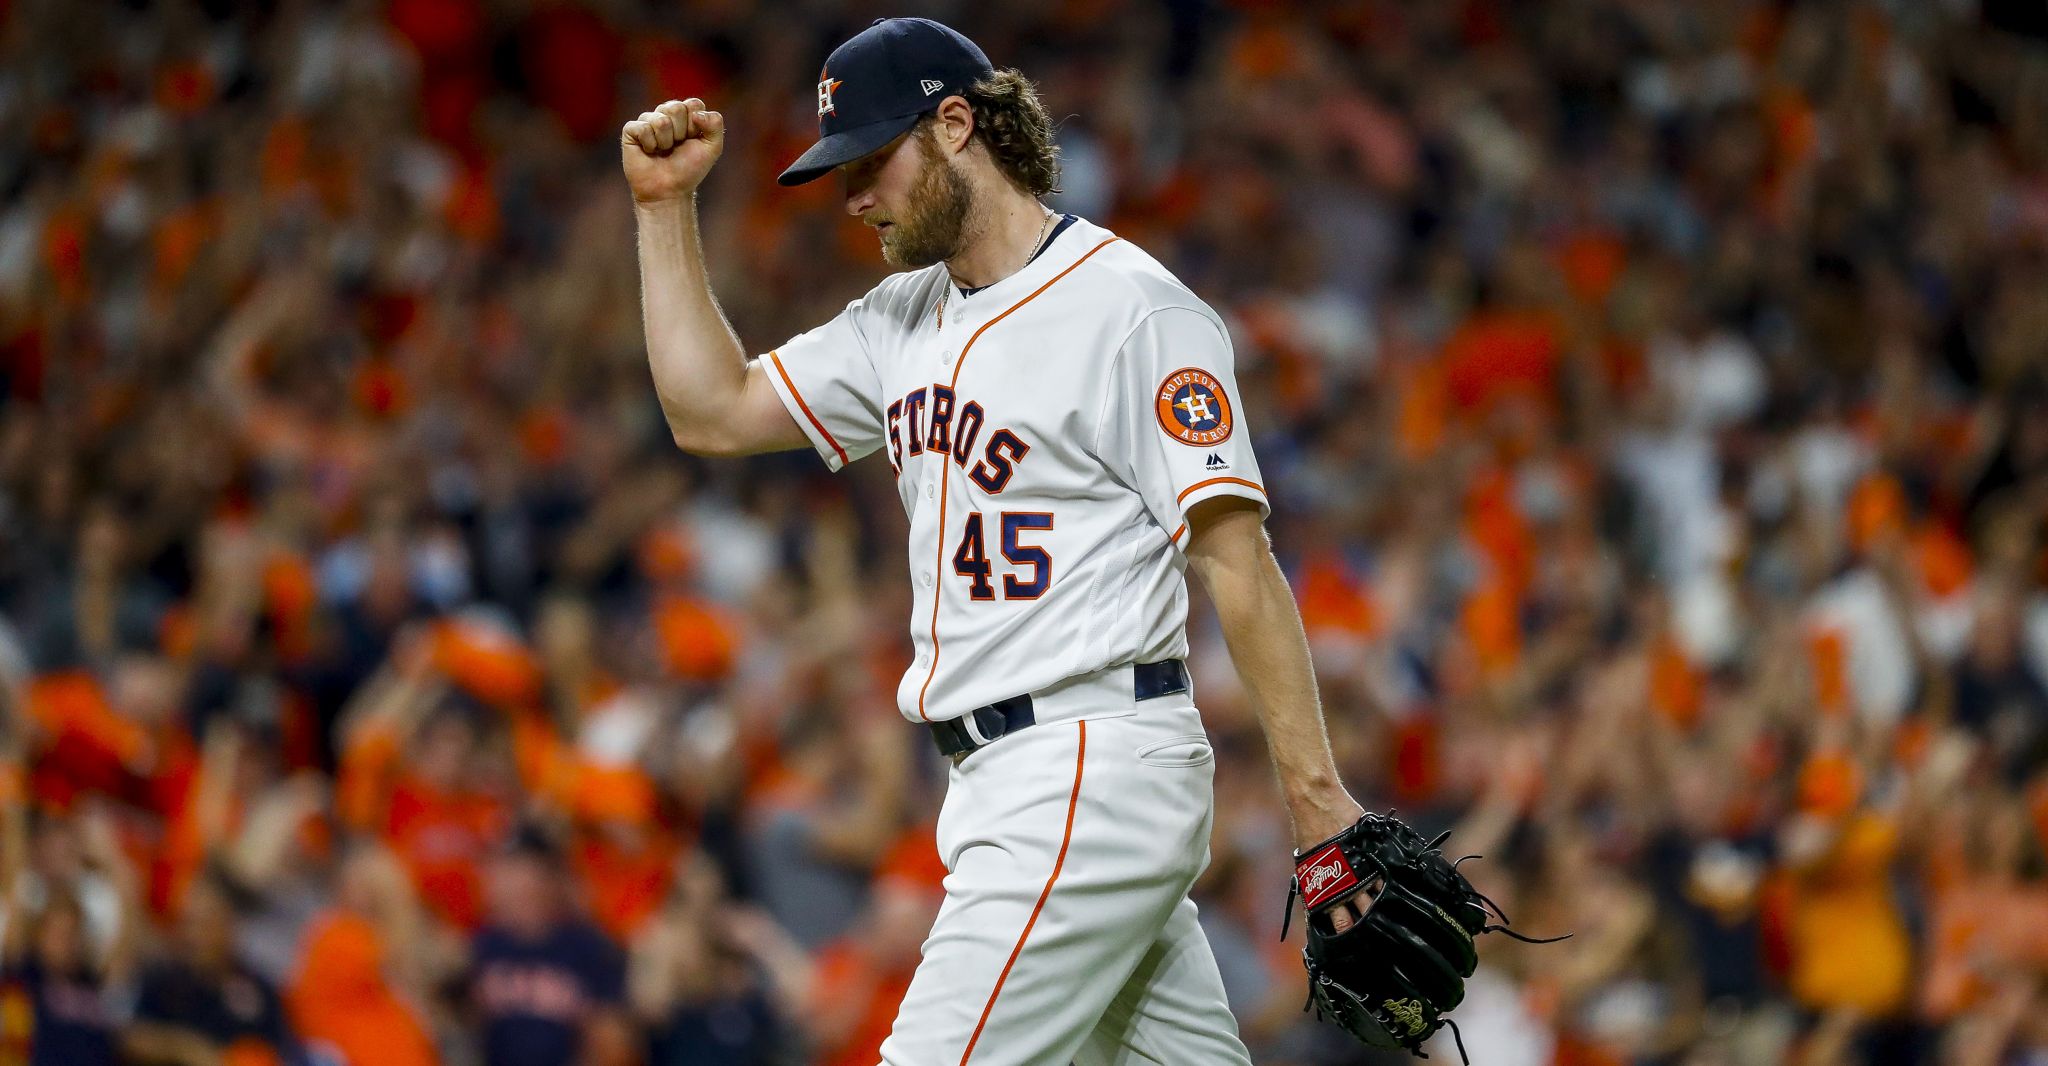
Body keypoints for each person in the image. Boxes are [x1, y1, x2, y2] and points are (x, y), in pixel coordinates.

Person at [622, 16, 1363, 1064]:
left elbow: (1234, 562)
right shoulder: (898, 318)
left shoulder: (1132, 309)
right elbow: (711, 410)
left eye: (871, 160)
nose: (853, 195)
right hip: (1001, 783)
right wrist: (664, 212)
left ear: (956, 125)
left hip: (1086, 765)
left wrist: (1316, 802)